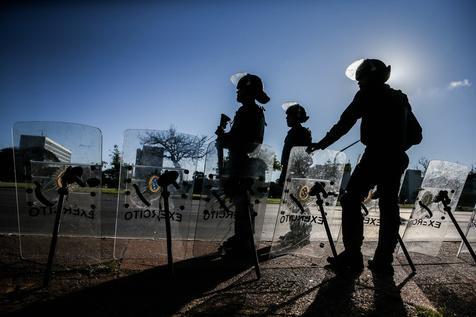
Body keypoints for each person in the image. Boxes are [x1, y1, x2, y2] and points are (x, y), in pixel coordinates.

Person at [307, 59, 422, 277]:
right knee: (389, 206)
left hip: (376, 155)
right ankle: (383, 260)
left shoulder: (367, 94)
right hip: (396, 158)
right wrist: (398, 142)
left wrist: (323, 143)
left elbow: (345, 122)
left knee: (351, 199)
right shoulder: (400, 97)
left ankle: (352, 255)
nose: (358, 84)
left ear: (372, 77)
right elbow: (417, 135)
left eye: (361, 79)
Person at [216, 73, 270, 257]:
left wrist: (226, 139)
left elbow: (247, 139)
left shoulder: (251, 111)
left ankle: (245, 241)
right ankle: (242, 238)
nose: (237, 93)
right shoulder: (248, 111)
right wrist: (226, 138)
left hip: (242, 164)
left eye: (240, 89)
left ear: (248, 91)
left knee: (242, 205)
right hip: (240, 162)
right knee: (241, 205)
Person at [278, 103, 312, 187]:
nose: (286, 118)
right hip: (286, 169)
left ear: (296, 117)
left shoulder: (302, 132)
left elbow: (304, 155)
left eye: (289, 115)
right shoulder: (292, 132)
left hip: (295, 173)